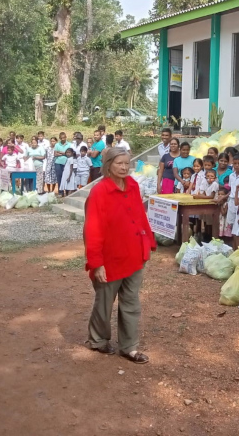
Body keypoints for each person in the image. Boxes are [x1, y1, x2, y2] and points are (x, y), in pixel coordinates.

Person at [84, 147, 155, 364]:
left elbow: (140, 215)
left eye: (127, 163)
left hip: (134, 254)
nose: (124, 167)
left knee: (131, 302)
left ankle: (129, 347)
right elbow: (92, 230)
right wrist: (97, 263)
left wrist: (148, 241)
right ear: (108, 166)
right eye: (119, 164)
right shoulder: (99, 192)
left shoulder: (132, 185)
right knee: (104, 302)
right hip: (110, 259)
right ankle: (98, 339)